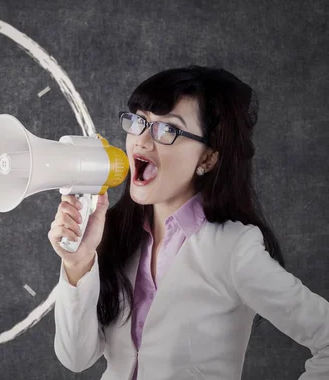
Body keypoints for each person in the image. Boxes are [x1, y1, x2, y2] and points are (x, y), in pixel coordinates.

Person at [48, 65, 329, 380]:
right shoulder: (117, 233)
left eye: (167, 129)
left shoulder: (234, 247)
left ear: (208, 158)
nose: (140, 141)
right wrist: (78, 264)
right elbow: (76, 358)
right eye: (139, 121)